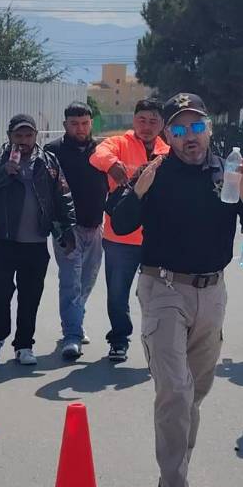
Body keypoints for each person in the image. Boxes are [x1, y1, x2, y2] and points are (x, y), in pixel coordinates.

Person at [110, 93, 243, 487]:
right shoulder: (154, 174)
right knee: (175, 391)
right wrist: (136, 192)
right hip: (163, 288)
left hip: (212, 292)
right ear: (167, 136)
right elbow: (121, 225)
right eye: (177, 130)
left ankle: (174, 470)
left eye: (196, 126)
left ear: (210, 129)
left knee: (194, 392)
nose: (188, 137)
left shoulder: (227, 173)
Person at [0, 114, 76, 366]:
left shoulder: (48, 161)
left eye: (28, 135)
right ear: (9, 136)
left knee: (30, 297)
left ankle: (24, 345)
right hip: (4, 240)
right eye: (18, 135)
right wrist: (1, 172)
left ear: (36, 136)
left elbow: (62, 195)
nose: (23, 140)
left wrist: (67, 228)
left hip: (36, 243)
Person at [90, 98, 169, 362]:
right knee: (117, 293)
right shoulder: (118, 143)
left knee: (156, 294)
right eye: (142, 120)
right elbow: (97, 154)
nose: (147, 126)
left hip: (157, 238)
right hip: (119, 237)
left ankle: (156, 340)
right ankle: (119, 340)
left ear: (162, 124)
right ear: (134, 120)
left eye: (153, 121)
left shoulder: (167, 151)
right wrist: (112, 163)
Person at [44, 100, 107, 361]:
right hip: (67, 228)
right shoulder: (53, 151)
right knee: (70, 280)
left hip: (96, 225)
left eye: (84, 123)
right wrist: (58, 227)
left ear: (91, 123)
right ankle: (72, 334)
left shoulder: (103, 149)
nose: (80, 129)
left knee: (87, 280)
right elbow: (46, 192)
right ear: (65, 125)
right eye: (74, 124)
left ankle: (75, 318)